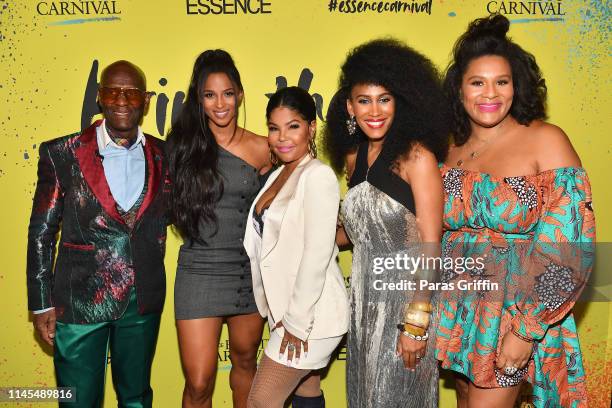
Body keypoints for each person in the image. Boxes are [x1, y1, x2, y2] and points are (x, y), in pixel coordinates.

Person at [435, 14, 596, 408]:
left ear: (515, 86)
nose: (490, 93)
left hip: (515, 313)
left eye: (501, 82)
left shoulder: (545, 140)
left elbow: (570, 247)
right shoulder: (448, 149)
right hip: (459, 311)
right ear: (459, 89)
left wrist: (526, 330)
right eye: (477, 82)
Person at [26, 60, 169, 407]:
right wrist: (41, 302)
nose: (122, 100)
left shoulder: (164, 153)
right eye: (112, 91)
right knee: (78, 401)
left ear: (146, 101)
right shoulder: (62, 153)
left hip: (142, 298)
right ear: (100, 98)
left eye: (131, 92)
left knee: (136, 398)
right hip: (78, 301)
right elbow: (42, 231)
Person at [323, 39, 450, 407]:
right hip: (363, 305)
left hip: (405, 306)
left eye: (384, 99)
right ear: (350, 106)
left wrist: (417, 320)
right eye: (364, 100)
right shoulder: (354, 158)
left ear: (400, 102)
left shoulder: (416, 156)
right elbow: (356, 234)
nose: (374, 111)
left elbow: (431, 244)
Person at [166, 49, 272, 408]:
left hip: (247, 271)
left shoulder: (263, 147)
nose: (220, 103)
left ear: (240, 94)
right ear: (199, 99)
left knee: (245, 363)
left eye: (227, 93)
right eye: (210, 95)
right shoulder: (182, 147)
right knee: (198, 382)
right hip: (199, 270)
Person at [243, 86, 349, 408]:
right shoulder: (279, 173)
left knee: (261, 402)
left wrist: (296, 322)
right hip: (289, 311)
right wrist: (278, 311)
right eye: (274, 128)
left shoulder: (318, 177)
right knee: (307, 391)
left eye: (293, 126)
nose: (282, 137)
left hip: (313, 318)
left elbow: (317, 254)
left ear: (311, 128)